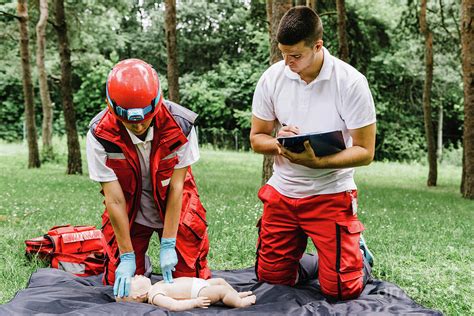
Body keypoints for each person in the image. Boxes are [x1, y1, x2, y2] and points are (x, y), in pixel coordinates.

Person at [250, 6, 376, 301]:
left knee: (343, 290)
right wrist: (278, 143)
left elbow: (366, 151)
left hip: (330, 192)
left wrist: (319, 163)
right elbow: (257, 139)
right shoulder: (272, 78)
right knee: (272, 280)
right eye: (283, 54)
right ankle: (325, 259)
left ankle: (354, 257)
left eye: (295, 56)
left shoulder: (351, 82)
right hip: (283, 192)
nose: (287, 62)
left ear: (318, 46)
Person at [86, 58, 210, 299]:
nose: (140, 126)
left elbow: (177, 187)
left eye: (145, 118)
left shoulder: (182, 125)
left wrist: (168, 243)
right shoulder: (100, 135)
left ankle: (165, 256)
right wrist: (127, 256)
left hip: (175, 207)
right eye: (131, 123)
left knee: (187, 285)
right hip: (130, 210)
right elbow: (115, 200)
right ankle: (140, 260)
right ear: (112, 108)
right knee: (123, 291)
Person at [115, 275, 256, 311]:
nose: (137, 275)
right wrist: (194, 302)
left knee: (220, 281)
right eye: (134, 280)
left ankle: (235, 295)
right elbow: (174, 306)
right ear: (138, 295)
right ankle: (240, 303)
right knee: (221, 291)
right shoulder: (155, 296)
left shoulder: (155, 286)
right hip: (198, 292)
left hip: (200, 283)